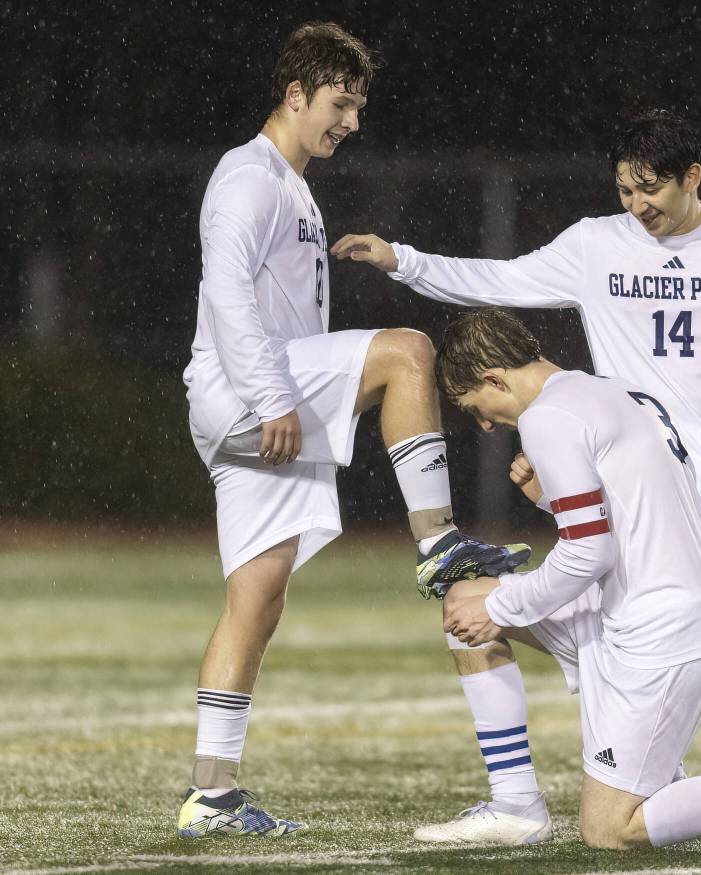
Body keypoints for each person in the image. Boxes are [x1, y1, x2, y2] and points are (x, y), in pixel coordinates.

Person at [331, 109, 701, 843]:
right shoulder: (596, 244)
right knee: (621, 623)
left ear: (693, 178)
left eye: (651, 191)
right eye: (624, 191)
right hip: (638, 476)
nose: (637, 206)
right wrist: (407, 261)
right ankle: (623, 780)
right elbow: (502, 279)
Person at [176, 22, 529, 839]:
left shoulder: (292, 184)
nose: (351, 123)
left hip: (259, 399)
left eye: (359, 108)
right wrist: (270, 398)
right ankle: (440, 542)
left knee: (255, 598)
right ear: (295, 94)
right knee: (408, 352)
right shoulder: (248, 177)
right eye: (340, 104)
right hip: (249, 393)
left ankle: (212, 795)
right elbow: (228, 295)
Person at [429, 309, 701, 852]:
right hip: (646, 609)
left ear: (495, 377)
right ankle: (516, 805)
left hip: (659, 634)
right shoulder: (616, 393)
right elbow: (642, 513)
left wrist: (503, 608)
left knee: (610, 829)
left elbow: (589, 551)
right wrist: (547, 500)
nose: (486, 423)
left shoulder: (549, 418)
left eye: (478, 407)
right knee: (462, 600)